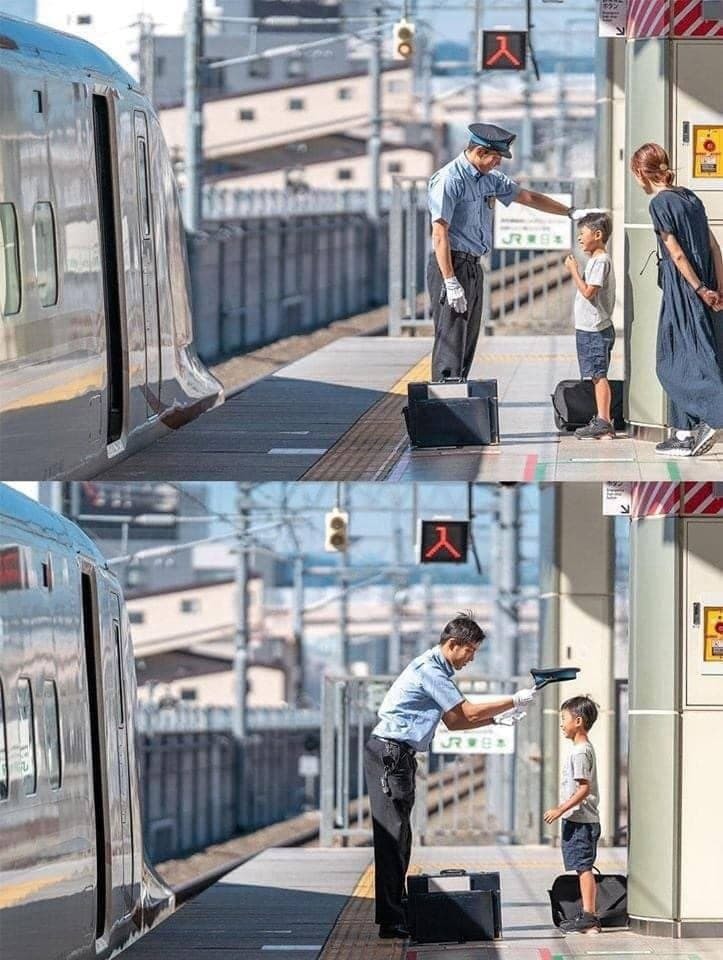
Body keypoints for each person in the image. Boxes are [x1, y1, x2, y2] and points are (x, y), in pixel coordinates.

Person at [364, 612, 537, 940]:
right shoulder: (431, 672)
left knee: (401, 838)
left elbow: (456, 721)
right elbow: (467, 712)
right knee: (392, 838)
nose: (472, 658)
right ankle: (391, 919)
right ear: (453, 644)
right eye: (470, 651)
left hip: (396, 756)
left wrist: (496, 720)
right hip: (390, 755)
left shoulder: (434, 668)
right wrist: (512, 700)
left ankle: (396, 910)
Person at [427, 122, 582, 382]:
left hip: (473, 265)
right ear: (479, 152)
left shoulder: (490, 179)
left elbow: (528, 197)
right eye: (495, 158)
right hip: (451, 264)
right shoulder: (449, 180)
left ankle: (459, 396)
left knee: (467, 339)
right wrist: (450, 281)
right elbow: (439, 234)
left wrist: (569, 212)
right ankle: (443, 401)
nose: (498, 164)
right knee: (451, 342)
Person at [630, 142, 723, 458]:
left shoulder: (660, 204)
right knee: (688, 352)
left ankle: (715, 414)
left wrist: (698, 289)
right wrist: (717, 287)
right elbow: (713, 247)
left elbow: (677, 253)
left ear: (642, 172)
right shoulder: (690, 197)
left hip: (685, 285)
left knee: (671, 360)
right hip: (707, 279)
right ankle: (683, 433)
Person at [543, 695, 601, 935]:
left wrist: (560, 810)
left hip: (581, 821)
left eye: (563, 719)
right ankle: (587, 916)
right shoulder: (581, 749)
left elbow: (584, 788)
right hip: (578, 820)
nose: (561, 724)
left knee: (584, 867)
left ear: (578, 721)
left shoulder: (579, 752)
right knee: (581, 866)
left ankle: (589, 916)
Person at [563, 213, 617, 439]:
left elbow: (588, 292)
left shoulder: (600, 261)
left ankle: (603, 421)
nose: (579, 239)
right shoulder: (597, 260)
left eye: (582, 234)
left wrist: (573, 271)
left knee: (598, 374)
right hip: (591, 328)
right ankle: (603, 422)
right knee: (596, 374)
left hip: (595, 329)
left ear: (598, 235)